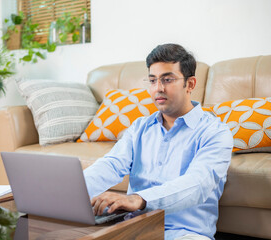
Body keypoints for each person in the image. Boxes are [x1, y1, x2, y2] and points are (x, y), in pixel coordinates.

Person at [84, 43, 233, 240]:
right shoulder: (139, 128)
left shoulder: (215, 132)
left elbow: (197, 184)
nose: (158, 89)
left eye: (167, 80)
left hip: (185, 234)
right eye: (153, 80)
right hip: (133, 228)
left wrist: (139, 199)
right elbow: (111, 164)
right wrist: (73, 190)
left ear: (190, 84)